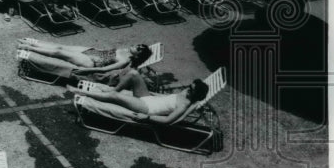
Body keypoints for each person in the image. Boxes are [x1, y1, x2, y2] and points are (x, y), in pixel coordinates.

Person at [73, 77, 210, 125]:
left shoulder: (184, 105)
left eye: (191, 89)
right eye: (190, 86)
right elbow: (167, 99)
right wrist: (152, 93)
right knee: (134, 75)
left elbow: (168, 121)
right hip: (150, 98)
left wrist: (147, 117)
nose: (187, 89)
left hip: (147, 107)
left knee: (116, 97)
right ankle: (110, 90)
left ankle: (83, 92)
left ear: (195, 94)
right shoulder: (186, 93)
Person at [18, 38, 153, 76]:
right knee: (61, 46)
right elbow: (106, 52)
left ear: (138, 54)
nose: (136, 46)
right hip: (92, 52)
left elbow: (104, 70)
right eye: (138, 45)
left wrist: (85, 71)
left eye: (138, 48)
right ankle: (31, 42)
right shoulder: (125, 50)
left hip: (90, 62)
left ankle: (29, 48)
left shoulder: (125, 60)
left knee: (59, 52)